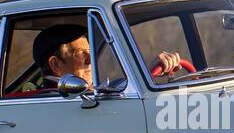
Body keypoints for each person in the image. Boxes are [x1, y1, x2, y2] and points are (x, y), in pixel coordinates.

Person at [32, 23, 184, 90]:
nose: (90, 60)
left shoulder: (89, 92)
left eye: (89, 52)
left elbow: (116, 89)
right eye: (79, 53)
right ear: (56, 65)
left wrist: (148, 73)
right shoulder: (60, 99)